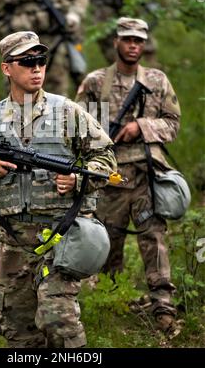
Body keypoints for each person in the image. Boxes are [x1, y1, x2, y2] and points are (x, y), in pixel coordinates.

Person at [0, 30, 117, 348]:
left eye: (41, 60)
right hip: (12, 241)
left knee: (61, 323)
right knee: (18, 331)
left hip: (61, 236)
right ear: (7, 68)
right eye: (28, 61)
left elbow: (107, 159)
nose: (37, 68)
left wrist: (78, 180)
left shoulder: (68, 112)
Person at [76, 18, 181, 336]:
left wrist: (142, 127)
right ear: (116, 43)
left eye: (139, 40)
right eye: (127, 39)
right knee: (108, 244)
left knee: (155, 242)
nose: (134, 45)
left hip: (148, 175)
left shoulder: (157, 81)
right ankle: (111, 304)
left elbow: (173, 124)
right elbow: (77, 127)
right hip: (110, 178)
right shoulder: (95, 82)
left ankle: (163, 306)